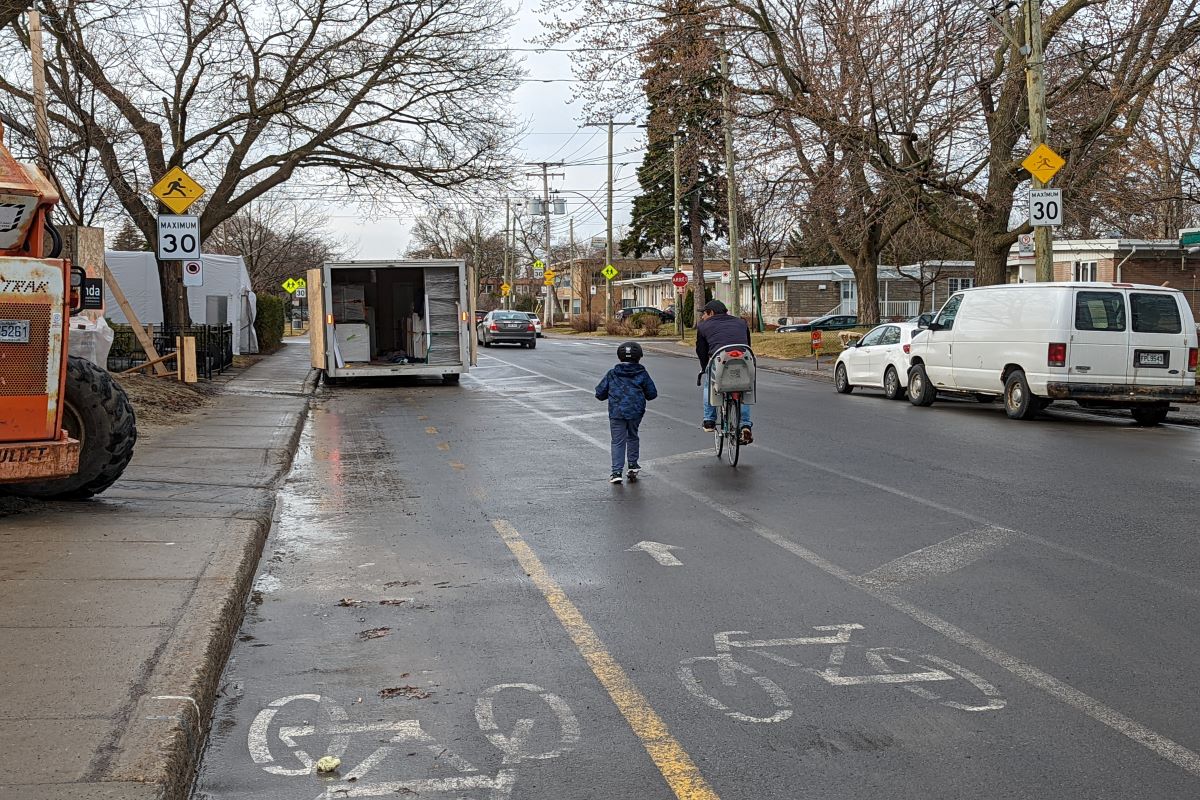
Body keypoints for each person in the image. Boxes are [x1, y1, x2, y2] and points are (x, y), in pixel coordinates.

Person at [595, 341, 658, 484]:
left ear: (619, 357)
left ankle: (616, 472)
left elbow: (599, 393)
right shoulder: (642, 373)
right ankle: (633, 465)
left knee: (617, 441)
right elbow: (652, 394)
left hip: (616, 412)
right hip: (636, 411)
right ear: (639, 357)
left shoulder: (612, 374)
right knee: (633, 436)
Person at [696, 299, 753, 443]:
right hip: (743, 360)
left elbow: (701, 351)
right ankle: (745, 425)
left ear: (711, 313)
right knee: (745, 388)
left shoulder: (703, 326)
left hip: (720, 359)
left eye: (704, 313)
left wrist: (704, 368)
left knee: (709, 385)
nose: (702, 316)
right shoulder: (741, 323)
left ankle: (709, 420)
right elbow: (747, 344)